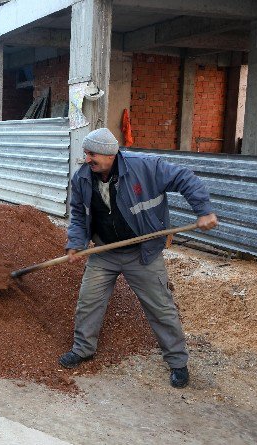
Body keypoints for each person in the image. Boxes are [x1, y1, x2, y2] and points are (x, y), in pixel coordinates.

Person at [59, 127, 218, 388]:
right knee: (89, 302)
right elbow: (78, 214)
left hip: (142, 252)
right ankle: (83, 349)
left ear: (110, 154)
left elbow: (185, 178)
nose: (87, 159)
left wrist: (203, 210)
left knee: (161, 307)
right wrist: (75, 243)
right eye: (86, 153)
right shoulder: (83, 178)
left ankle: (178, 362)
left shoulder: (145, 168)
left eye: (92, 154)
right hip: (104, 252)